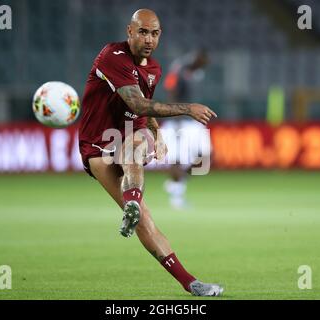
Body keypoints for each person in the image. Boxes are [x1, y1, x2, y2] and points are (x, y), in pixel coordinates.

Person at [78, 9, 223, 296]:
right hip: (97, 144)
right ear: (129, 32)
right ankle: (135, 204)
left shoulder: (153, 69)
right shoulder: (112, 56)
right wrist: (187, 108)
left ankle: (190, 283)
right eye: (142, 32)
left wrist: (155, 132)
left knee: (135, 148)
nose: (148, 39)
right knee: (144, 215)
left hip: (131, 135)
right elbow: (139, 104)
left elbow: (143, 106)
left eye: (154, 33)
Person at [162, 49, 210, 209]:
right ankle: (177, 198)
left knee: (206, 158)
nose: (205, 65)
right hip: (180, 121)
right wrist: (175, 120)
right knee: (178, 159)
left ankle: (176, 183)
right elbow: (171, 94)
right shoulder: (179, 70)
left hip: (195, 121)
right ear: (197, 58)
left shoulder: (196, 73)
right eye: (203, 61)